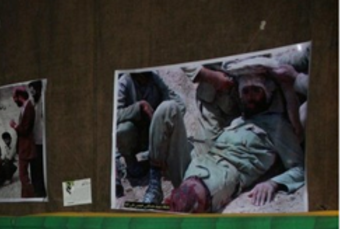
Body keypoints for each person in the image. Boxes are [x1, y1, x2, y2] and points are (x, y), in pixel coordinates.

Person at [152, 71, 304, 213]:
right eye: (246, 91)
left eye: (256, 90)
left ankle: (168, 209)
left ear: (267, 93)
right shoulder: (238, 121)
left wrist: (272, 183)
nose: (250, 97)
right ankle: (154, 183)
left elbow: (299, 169)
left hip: (223, 174)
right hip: (199, 160)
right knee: (168, 108)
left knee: (187, 199)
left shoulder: (277, 125)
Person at [115, 71, 187, 204]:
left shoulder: (154, 79)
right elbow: (114, 115)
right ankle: (132, 165)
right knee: (123, 130)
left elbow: (178, 104)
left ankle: (156, 176)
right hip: (135, 136)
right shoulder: (125, 82)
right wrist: (139, 106)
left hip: (155, 135)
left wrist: (162, 118)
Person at [9, 87, 36, 198]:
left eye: (15, 98)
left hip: (26, 148)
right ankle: (25, 197)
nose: (15, 101)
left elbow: (25, 130)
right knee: (23, 176)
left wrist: (15, 126)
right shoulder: (25, 108)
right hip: (24, 147)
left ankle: (31, 197)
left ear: (20, 97)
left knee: (23, 176)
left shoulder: (29, 108)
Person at [28, 80, 47, 197]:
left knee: (40, 169)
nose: (32, 94)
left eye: (33, 91)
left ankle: (41, 192)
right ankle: (36, 191)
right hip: (33, 141)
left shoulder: (43, 102)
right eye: (30, 92)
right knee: (34, 168)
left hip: (41, 142)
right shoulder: (33, 103)